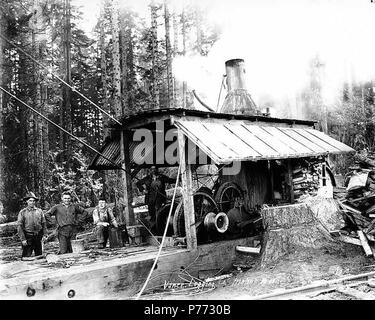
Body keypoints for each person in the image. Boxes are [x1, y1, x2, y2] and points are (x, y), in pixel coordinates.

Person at [17, 192, 48, 258]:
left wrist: (45, 234)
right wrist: (23, 239)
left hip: (38, 236)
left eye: (34, 201)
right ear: (27, 201)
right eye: (30, 201)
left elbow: (44, 223)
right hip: (28, 237)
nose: (32, 202)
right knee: (26, 256)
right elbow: (20, 226)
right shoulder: (23, 212)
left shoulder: (39, 211)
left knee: (39, 256)